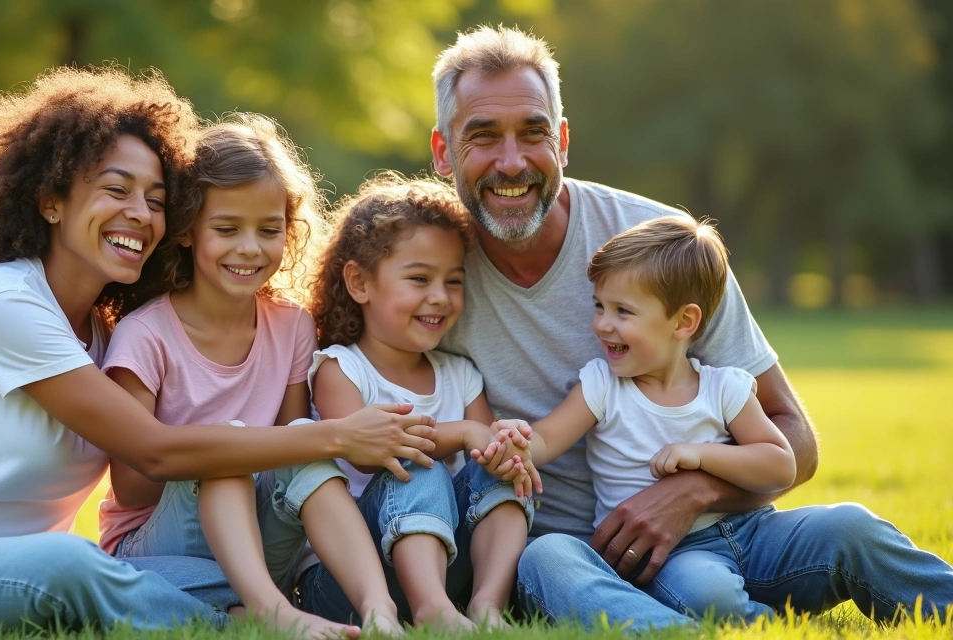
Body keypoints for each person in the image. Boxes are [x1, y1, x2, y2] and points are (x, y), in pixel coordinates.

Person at [0, 67, 437, 634]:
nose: (139, 213)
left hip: (31, 566)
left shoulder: (106, 331)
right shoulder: (2, 303)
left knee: (206, 572)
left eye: (156, 199)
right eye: (117, 190)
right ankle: (259, 626)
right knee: (70, 566)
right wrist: (337, 436)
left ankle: (300, 609)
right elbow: (154, 451)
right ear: (51, 200)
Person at [424, 25, 953, 629]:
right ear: (443, 152)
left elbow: (794, 443)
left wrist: (692, 490)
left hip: (734, 530)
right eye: (483, 137)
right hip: (593, 559)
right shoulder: (426, 276)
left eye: (534, 133)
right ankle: (684, 625)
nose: (512, 161)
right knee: (548, 560)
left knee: (851, 527)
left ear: (564, 140)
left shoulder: (663, 250)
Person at [97, 114, 402, 637]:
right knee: (229, 450)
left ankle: (380, 610)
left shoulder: (291, 326)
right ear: (189, 230)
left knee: (300, 439)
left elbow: (289, 452)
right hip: (156, 547)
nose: (250, 248)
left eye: (269, 230)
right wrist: (225, 449)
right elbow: (129, 487)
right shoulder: (145, 336)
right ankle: (269, 610)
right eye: (227, 229)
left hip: (255, 546)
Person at [479, 215, 799, 620]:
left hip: (743, 535)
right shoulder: (602, 385)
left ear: (684, 322)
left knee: (849, 526)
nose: (602, 325)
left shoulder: (725, 388)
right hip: (652, 561)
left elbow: (780, 464)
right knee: (545, 556)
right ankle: (699, 624)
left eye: (622, 312)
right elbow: (546, 440)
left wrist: (700, 456)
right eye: (599, 306)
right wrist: (518, 443)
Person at [296, 174, 534, 630]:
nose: (439, 297)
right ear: (359, 283)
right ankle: (432, 611)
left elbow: (484, 451)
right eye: (419, 278)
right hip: (349, 583)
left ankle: (486, 605)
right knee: (413, 463)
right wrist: (464, 433)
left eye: (453, 281)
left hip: (446, 563)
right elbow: (369, 455)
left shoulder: (459, 374)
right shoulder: (340, 369)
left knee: (502, 469)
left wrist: (506, 444)